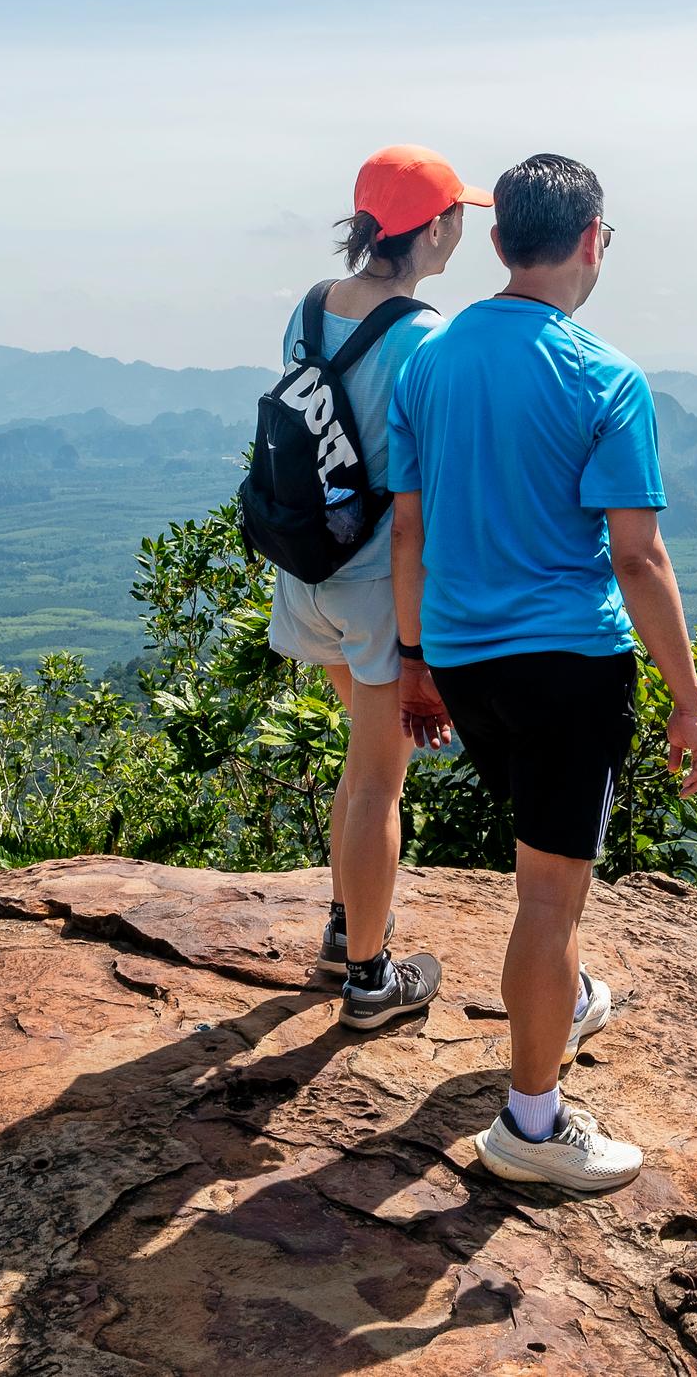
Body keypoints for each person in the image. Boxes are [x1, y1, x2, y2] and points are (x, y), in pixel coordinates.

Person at [387, 153, 697, 1194]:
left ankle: (556, 999)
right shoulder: (604, 375)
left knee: (541, 879)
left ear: (495, 242)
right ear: (589, 241)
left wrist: (413, 663)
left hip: (464, 658)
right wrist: (688, 699)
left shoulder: (426, 362)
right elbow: (635, 555)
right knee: (547, 898)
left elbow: (409, 526)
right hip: (568, 663)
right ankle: (530, 1121)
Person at [266, 144, 489, 1033]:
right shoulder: (428, 337)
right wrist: (420, 644)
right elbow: (416, 510)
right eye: (458, 215)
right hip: (377, 589)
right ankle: (368, 977)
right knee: (378, 787)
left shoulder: (309, 307)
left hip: (307, 567)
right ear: (434, 227)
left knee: (363, 770)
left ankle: (345, 920)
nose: (464, 228)